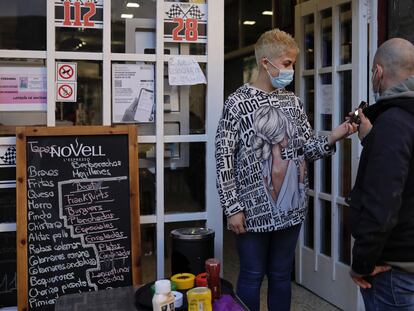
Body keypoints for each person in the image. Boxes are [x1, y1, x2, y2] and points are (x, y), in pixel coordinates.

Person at [215, 29, 356, 311]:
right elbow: (223, 157)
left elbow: (304, 149)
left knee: (281, 276)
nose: (291, 70)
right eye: (287, 63)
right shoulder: (237, 103)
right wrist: (232, 207)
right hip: (252, 212)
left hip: (290, 208)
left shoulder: (293, 102)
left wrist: (335, 135)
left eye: (293, 63)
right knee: (252, 275)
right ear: (266, 63)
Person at [348, 38, 414, 310]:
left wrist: (361, 264)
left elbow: (383, 204)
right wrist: (372, 140)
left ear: (378, 72)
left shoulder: (393, 124)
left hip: (395, 272)